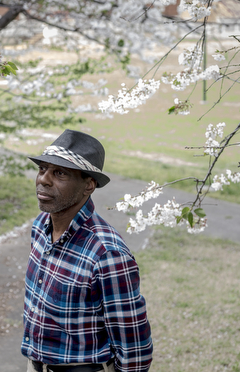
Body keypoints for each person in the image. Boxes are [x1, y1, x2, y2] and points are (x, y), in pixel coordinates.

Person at [21, 129, 153, 372]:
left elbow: (134, 350)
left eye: (59, 173)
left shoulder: (107, 255)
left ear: (88, 185)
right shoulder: (41, 226)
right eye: (42, 169)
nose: (44, 180)